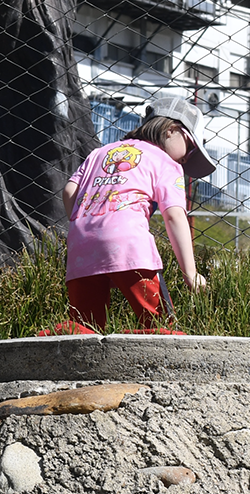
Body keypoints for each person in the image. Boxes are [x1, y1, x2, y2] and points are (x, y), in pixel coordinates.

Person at [58, 93, 213, 333]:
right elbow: (174, 216)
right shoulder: (165, 162)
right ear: (171, 129)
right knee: (159, 326)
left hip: (81, 245)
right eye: (191, 146)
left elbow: (69, 191)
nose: (186, 157)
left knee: (83, 328)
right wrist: (190, 273)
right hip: (129, 244)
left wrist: (86, 226)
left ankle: (50, 339)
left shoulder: (100, 153)